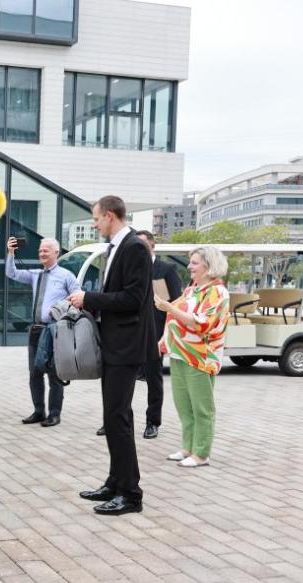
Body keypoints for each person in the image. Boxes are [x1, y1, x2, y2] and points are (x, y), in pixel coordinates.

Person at [68, 196, 157, 516]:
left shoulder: (134, 247)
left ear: (109, 216)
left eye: (95, 219)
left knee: (116, 418)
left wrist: (88, 298)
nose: (94, 224)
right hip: (114, 344)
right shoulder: (113, 248)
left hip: (126, 345)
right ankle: (115, 481)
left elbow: (133, 298)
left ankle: (131, 494)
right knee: (115, 417)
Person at [96, 229, 182, 439]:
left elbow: (178, 302)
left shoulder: (166, 269)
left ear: (152, 247)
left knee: (153, 378)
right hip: (127, 333)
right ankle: (117, 420)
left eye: (142, 244)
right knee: (123, 382)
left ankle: (153, 421)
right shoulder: (124, 263)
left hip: (154, 332)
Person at [156, 246, 230, 467]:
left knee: (201, 407)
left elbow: (200, 322)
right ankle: (187, 447)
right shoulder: (192, 290)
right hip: (180, 354)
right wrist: (164, 337)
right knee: (184, 406)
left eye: (195, 263)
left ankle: (201, 453)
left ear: (209, 266)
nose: (189, 266)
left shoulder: (217, 292)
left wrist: (168, 306)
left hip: (201, 357)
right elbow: (173, 315)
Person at [6, 235, 80, 427]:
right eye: (40, 250)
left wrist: (61, 311)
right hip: (36, 330)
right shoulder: (35, 274)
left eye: (46, 250)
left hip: (55, 331)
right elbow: (11, 273)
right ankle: (39, 411)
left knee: (54, 373)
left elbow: (78, 299)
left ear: (56, 252)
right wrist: (11, 252)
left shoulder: (66, 276)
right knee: (35, 373)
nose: (42, 253)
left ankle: (54, 414)